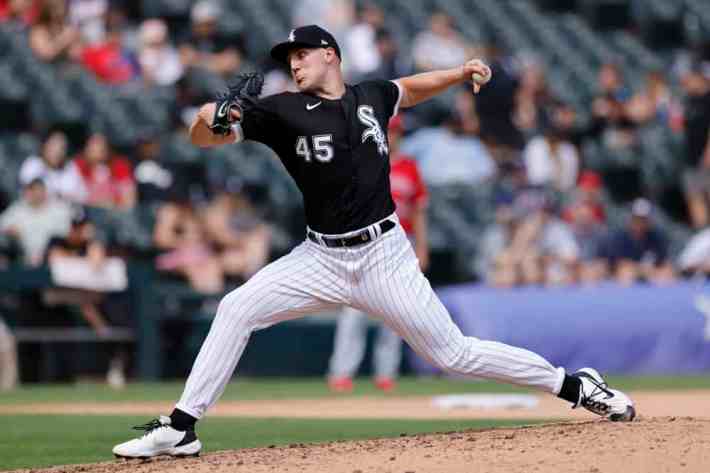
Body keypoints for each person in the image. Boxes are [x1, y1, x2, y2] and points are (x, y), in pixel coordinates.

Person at [113, 24, 635, 460]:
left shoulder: (371, 97)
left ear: (329, 55)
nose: (294, 65)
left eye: (302, 54)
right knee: (235, 308)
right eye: (289, 58)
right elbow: (201, 134)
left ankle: (574, 385)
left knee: (454, 354)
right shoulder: (283, 110)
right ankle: (182, 427)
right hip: (319, 257)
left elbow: (411, 86)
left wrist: (457, 73)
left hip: (384, 254)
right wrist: (215, 115)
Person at [327, 115, 428, 393]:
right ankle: (341, 373)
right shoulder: (363, 160)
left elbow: (419, 211)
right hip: (365, 241)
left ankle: (386, 373)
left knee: (394, 312)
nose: (392, 135)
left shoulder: (409, 166)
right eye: (387, 130)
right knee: (353, 310)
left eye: (395, 131)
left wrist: (422, 246)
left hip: (401, 242)